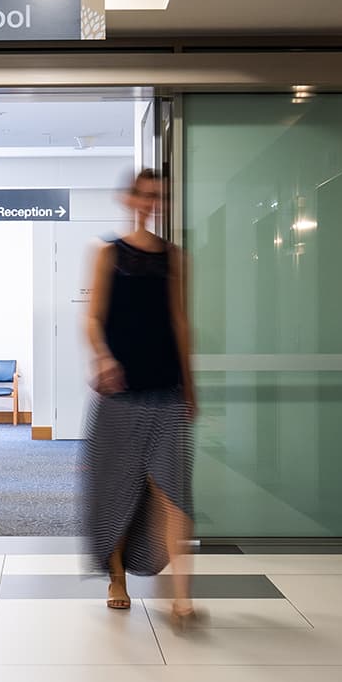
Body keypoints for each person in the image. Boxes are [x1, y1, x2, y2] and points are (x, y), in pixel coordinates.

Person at [82, 168, 198, 626]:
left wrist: (191, 385)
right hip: (121, 394)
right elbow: (93, 319)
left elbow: (181, 322)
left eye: (160, 195)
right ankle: (117, 579)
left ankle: (181, 597)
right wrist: (103, 358)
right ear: (129, 199)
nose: (152, 202)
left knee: (173, 491)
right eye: (145, 194)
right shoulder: (107, 253)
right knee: (117, 489)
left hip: (166, 390)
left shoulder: (176, 258)